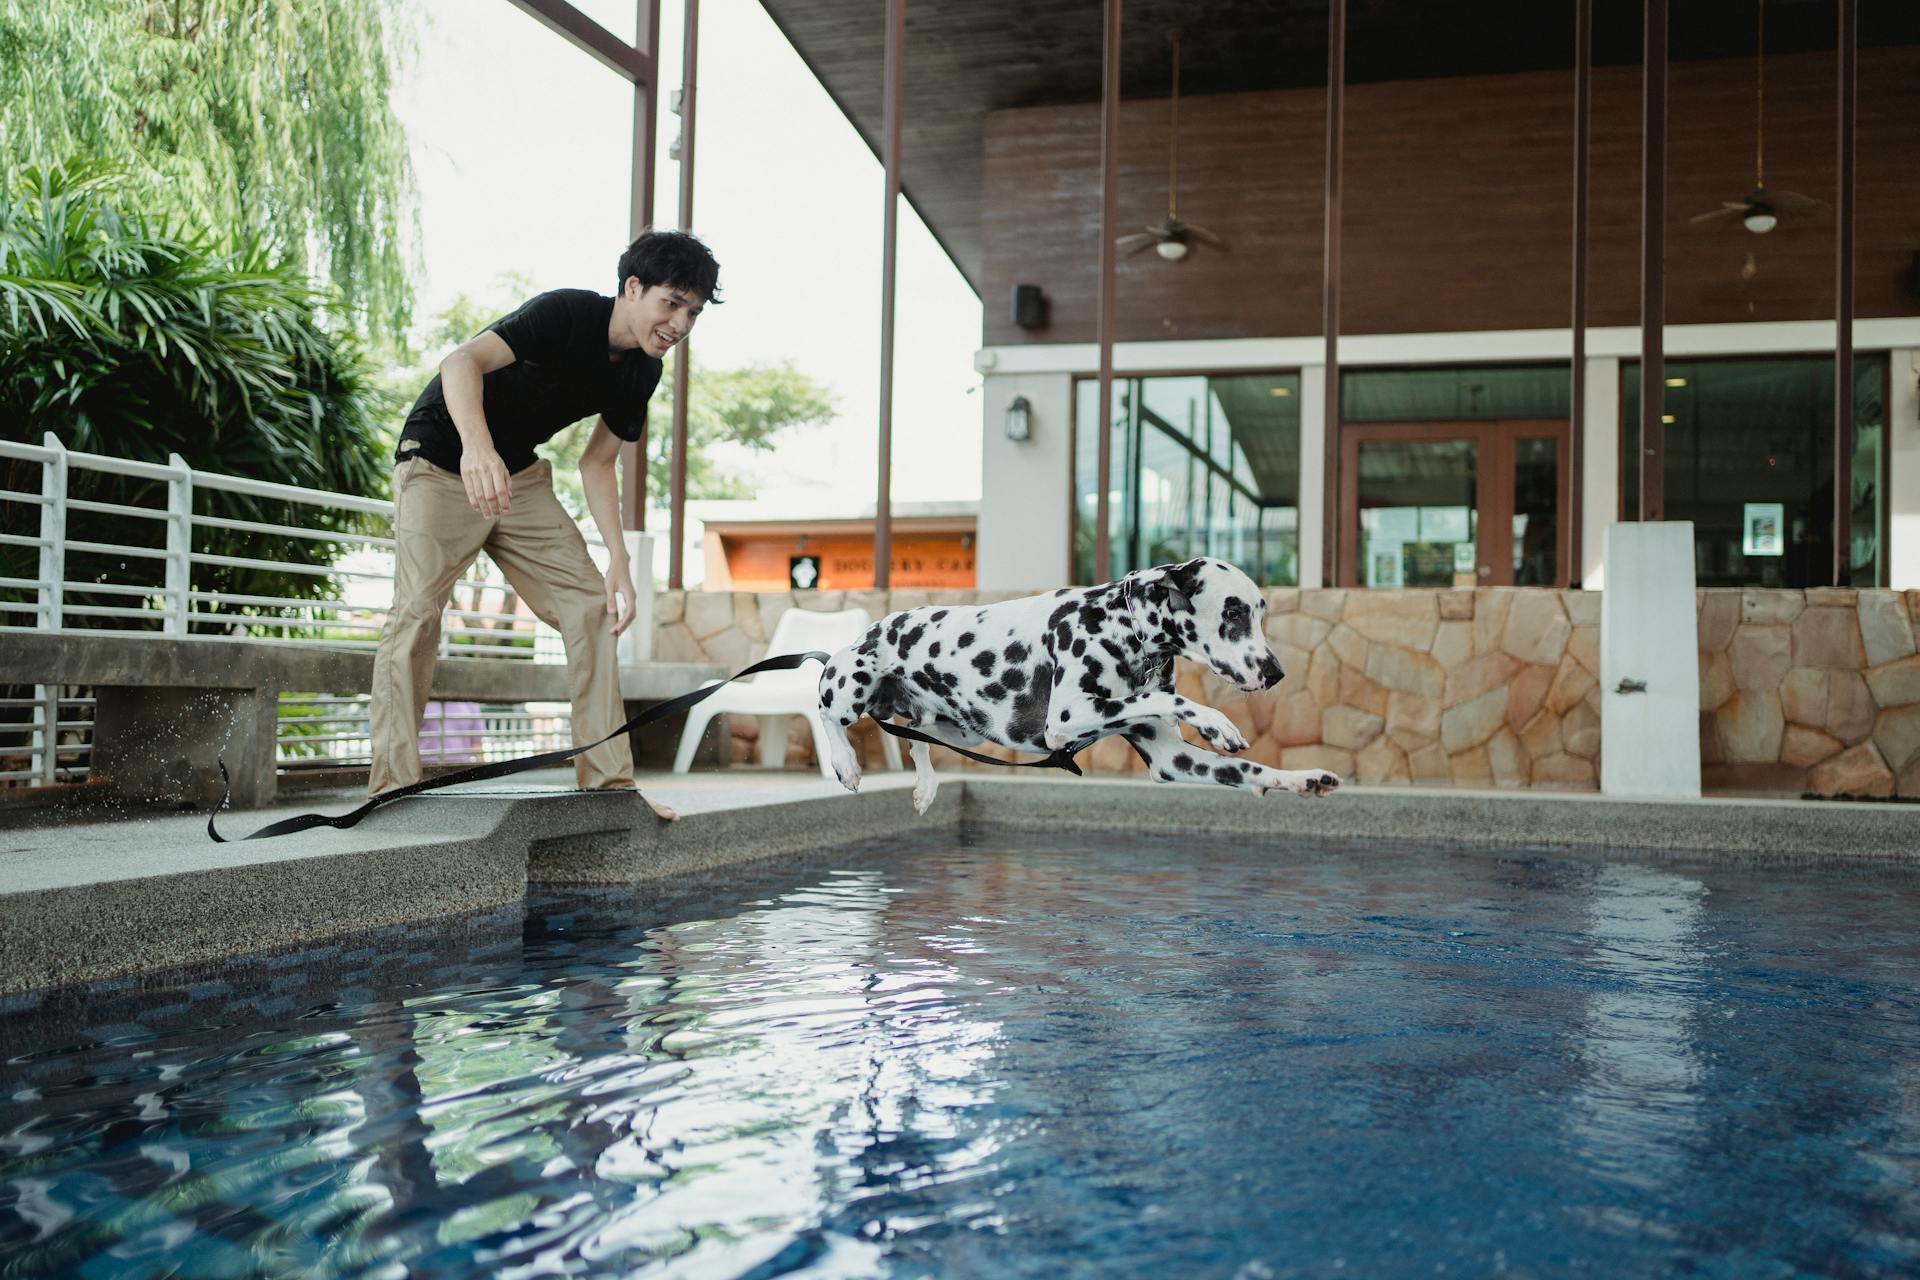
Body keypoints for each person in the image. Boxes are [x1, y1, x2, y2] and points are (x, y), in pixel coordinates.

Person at [366, 229, 721, 820]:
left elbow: (598, 462)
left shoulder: (641, 374)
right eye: (671, 303)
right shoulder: (565, 313)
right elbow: (461, 362)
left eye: (693, 312)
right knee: (418, 611)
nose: (680, 324)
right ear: (633, 288)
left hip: (519, 478)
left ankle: (609, 789)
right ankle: (390, 788)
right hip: (438, 459)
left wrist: (619, 560)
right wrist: (477, 448)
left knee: (591, 608)